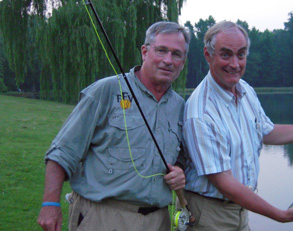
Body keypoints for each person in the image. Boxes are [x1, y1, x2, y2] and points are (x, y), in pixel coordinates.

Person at [182, 21, 293, 231]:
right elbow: (225, 183)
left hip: (241, 210)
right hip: (210, 216)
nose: (235, 64)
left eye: (241, 54)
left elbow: (266, 131)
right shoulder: (200, 112)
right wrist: (280, 215)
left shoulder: (244, 89)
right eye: (226, 54)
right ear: (208, 55)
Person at [37, 21, 190, 231]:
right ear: (145, 52)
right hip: (102, 217)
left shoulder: (180, 106)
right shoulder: (105, 91)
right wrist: (50, 204)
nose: (168, 60)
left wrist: (180, 169)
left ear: (183, 61)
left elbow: (182, 151)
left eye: (176, 54)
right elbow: (62, 152)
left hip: (158, 221)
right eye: (161, 50)